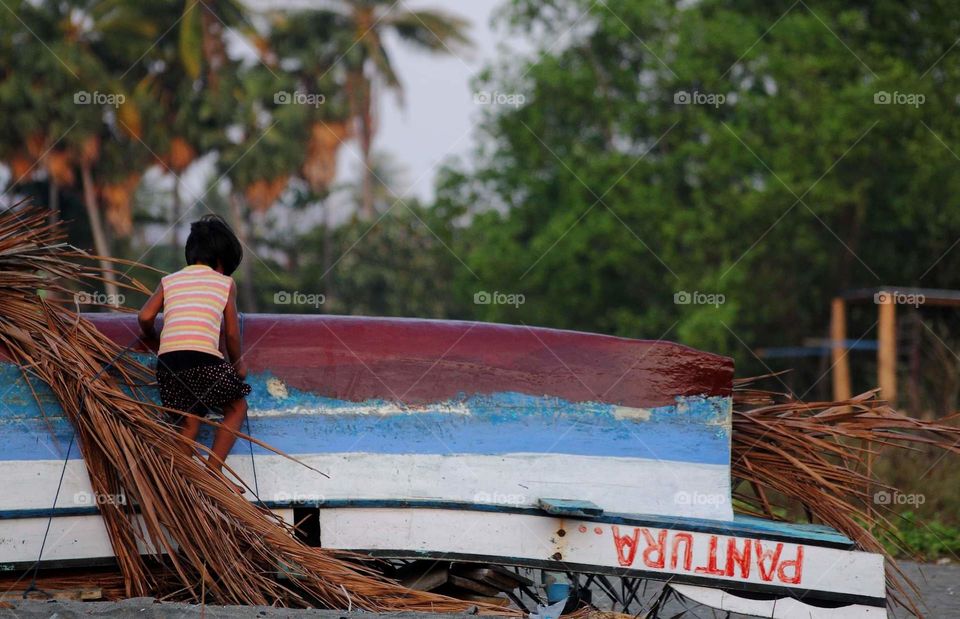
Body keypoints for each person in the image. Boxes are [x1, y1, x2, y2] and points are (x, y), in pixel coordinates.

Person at [138, 215, 251, 493]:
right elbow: (232, 335)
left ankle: (183, 482)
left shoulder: (169, 281)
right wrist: (238, 365)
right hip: (204, 359)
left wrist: (153, 335)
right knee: (237, 408)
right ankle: (213, 472)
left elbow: (144, 316)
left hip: (169, 363)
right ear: (223, 261)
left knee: (189, 421)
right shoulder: (225, 284)